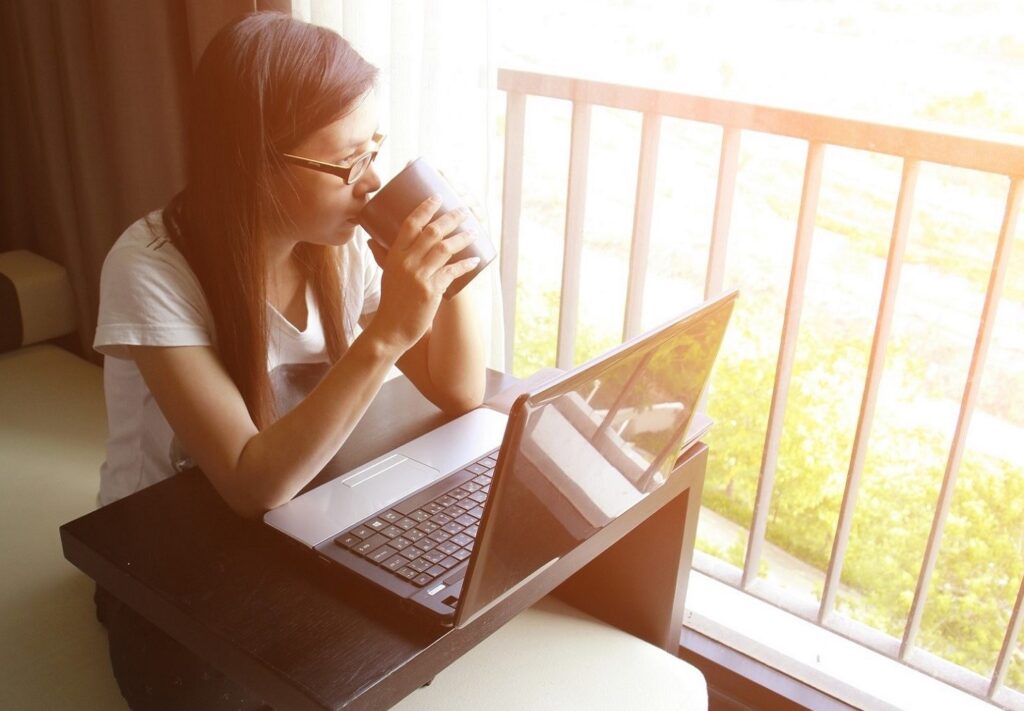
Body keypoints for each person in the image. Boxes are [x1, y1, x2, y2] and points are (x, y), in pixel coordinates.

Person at [91, 12, 485, 709]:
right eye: (346, 162)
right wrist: (387, 335)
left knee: (402, 640)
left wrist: (451, 266)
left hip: (287, 526)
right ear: (252, 162)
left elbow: (459, 390)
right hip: (160, 557)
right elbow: (248, 482)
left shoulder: (336, 248)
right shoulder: (150, 266)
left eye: (376, 150)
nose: (371, 183)